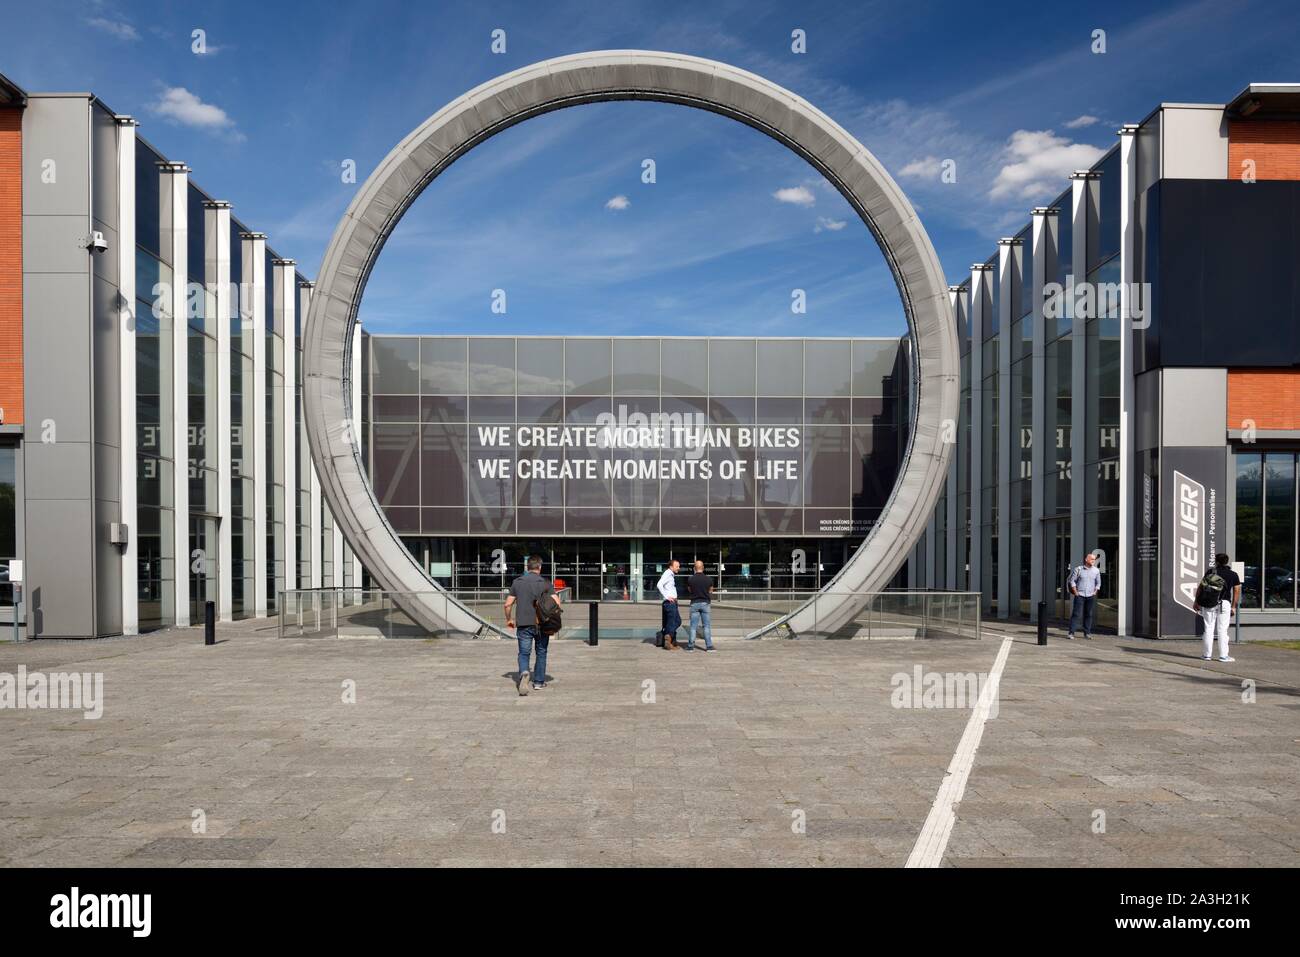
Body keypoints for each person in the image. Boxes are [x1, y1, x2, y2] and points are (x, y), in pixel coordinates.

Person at [504, 554, 561, 695]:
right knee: (541, 652)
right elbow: (557, 603)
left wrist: (509, 620)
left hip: (523, 623)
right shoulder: (545, 583)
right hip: (542, 624)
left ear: (527, 567)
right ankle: (539, 682)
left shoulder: (517, 582)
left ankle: (524, 671)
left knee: (524, 652)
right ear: (540, 567)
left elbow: (507, 604)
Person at [1193, 552, 1240, 663]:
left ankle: (1206, 655)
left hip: (1209, 603)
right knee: (1222, 630)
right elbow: (1237, 591)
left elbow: (1201, 587)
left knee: (1208, 628)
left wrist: (1197, 601)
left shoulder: (1210, 572)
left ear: (1216, 561)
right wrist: (1233, 606)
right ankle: (1223, 656)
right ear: (1227, 561)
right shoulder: (1233, 574)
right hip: (1225, 604)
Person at [1066, 551, 1101, 640]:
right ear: (1086, 559)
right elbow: (1072, 581)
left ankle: (1087, 633)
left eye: (1094, 559)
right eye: (1092, 559)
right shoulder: (1078, 569)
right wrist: (1075, 591)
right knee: (1076, 614)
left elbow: (1098, 582)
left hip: (1090, 595)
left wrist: (1095, 591)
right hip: (1080, 595)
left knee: (1088, 614)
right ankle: (1071, 633)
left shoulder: (1096, 571)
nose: (1093, 560)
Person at [685, 559, 715, 652]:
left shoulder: (690, 579)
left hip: (694, 603)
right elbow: (711, 591)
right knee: (706, 626)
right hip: (705, 603)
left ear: (694, 568)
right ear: (703, 568)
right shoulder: (709, 579)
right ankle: (709, 646)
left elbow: (690, 590)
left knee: (693, 626)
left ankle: (690, 647)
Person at [655, 559, 682, 650]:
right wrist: (667, 597)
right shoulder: (667, 573)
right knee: (674, 622)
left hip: (672, 602)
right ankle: (668, 639)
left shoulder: (670, 574)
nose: (679, 568)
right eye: (677, 566)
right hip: (670, 603)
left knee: (676, 621)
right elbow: (659, 584)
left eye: (679, 566)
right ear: (671, 567)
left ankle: (669, 638)